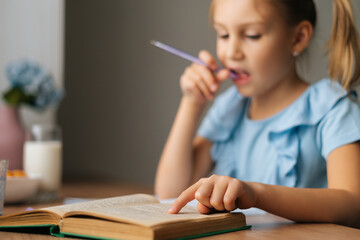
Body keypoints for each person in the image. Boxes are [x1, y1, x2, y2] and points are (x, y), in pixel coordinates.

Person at [155, 0, 360, 228]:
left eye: (252, 35)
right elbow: (169, 194)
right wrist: (191, 104)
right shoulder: (229, 108)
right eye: (223, 35)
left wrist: (257, 194)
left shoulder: (331, 107)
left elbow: (353, 204)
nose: (231, 52)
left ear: (299, 37)